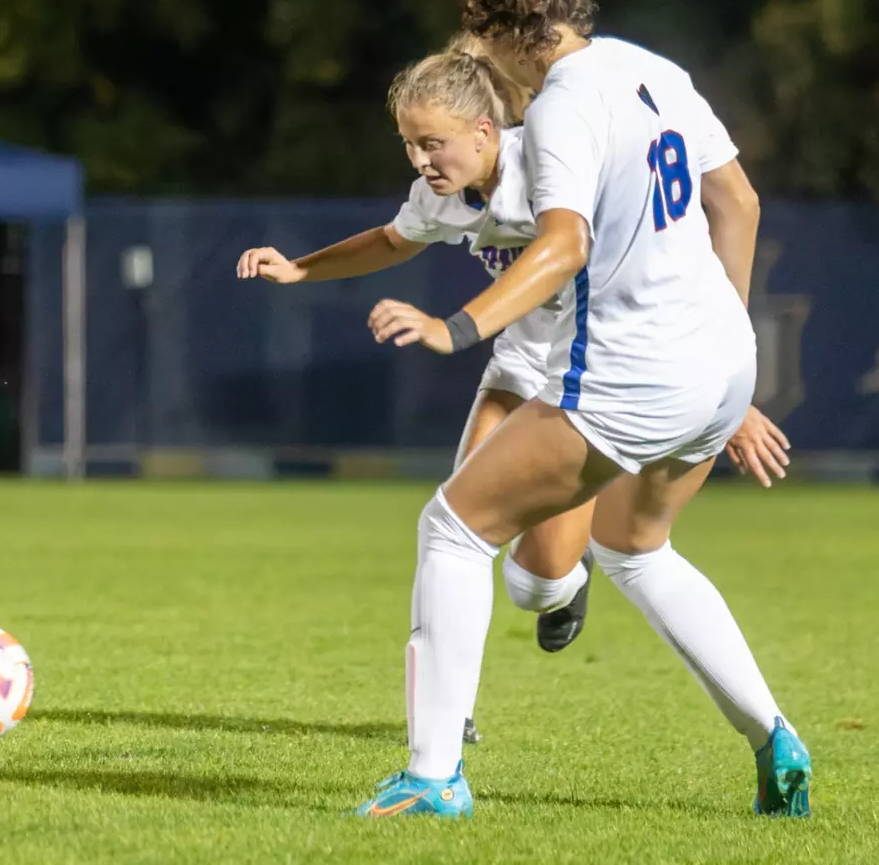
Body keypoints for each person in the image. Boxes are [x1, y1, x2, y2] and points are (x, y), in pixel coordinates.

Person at [354, 0, 809, 819]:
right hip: (720, 365)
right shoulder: (654, 69)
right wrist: (725, 347)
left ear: (493, 28)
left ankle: (435, 779)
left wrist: (457, 325)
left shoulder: (561, 101)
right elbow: (741, 203)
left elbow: (562, 246)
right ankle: (775, 738)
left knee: (453, 529)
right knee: (635, 550)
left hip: (633, 375)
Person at [236, 46, 787, 746]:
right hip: (524, 363)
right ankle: (448, 720)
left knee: (534, 582)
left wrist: (722, 379)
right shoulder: (440, 190)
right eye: (410, 144)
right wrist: (298, 270)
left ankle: (562, 580)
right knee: (454, 528)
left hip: (603, 379)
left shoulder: (556, 161)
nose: (421, 161)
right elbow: (391, 240)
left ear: (484, 131)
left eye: (432, 143)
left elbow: (635, 244)